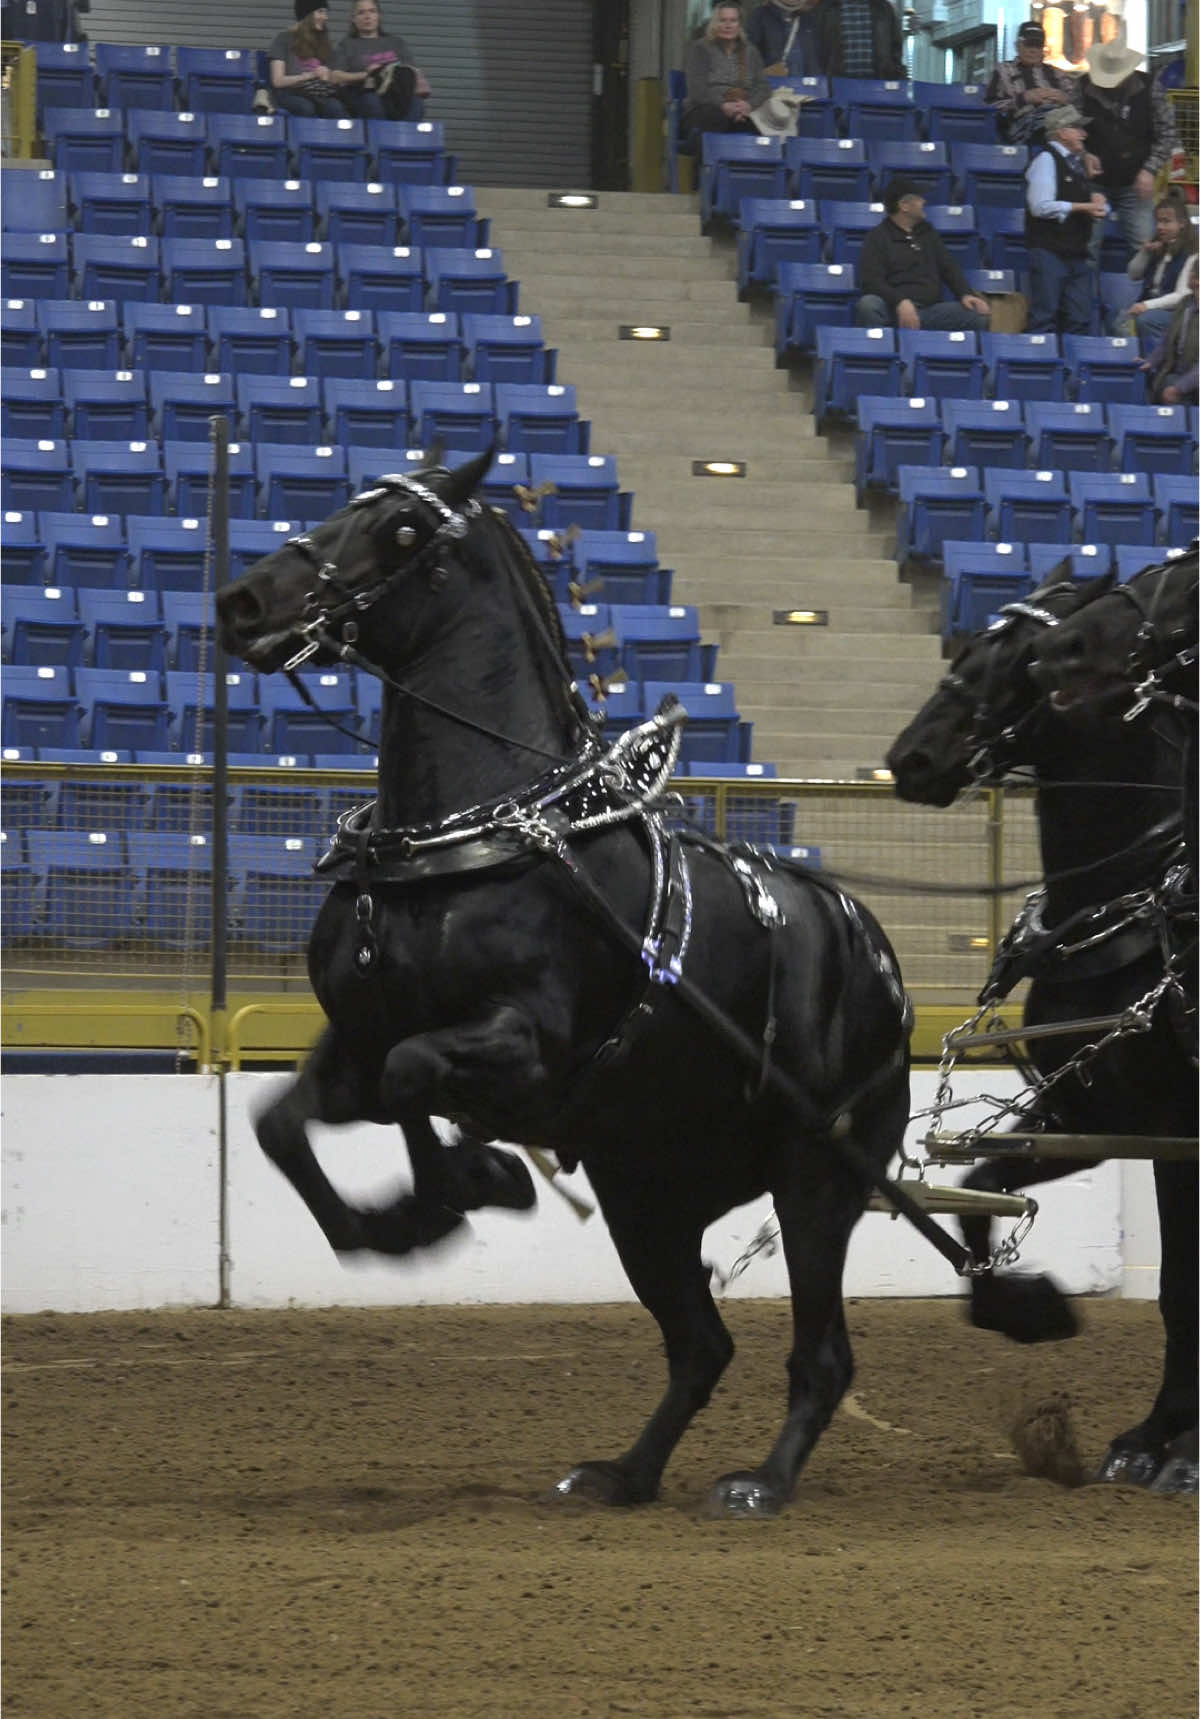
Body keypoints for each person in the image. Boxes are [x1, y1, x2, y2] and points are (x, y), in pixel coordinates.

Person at [1079, 35, 1178, 257]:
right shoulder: (1082, 88)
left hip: (1136, 182)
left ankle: (1148, 291)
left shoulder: (1151, 88)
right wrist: (1082, 154)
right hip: (1092, 183)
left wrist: (1150, 169)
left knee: (1145, 250)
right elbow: (1067, 128)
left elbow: (1168, 132)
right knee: (1086, 249)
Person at [856, 178, 991, 331]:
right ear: (904, 206)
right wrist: (900, 301)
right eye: (919, 198)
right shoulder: (877, 237)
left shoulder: (928, 233)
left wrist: (965, 294)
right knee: (868, 305)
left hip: (930, 312)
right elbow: (872, 281)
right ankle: (882, 350)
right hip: (893, 310)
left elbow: (949, 268)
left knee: (978, 314)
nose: (924, 201)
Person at [1025, 103, 1108, 335]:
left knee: (1080, 318)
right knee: (1045, 316)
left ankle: (1074, 369)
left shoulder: (1078, 163)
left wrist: (1095, 199)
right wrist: (1084, 206)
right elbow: (1040, 207)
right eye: (1077, 128)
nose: (1084, 134)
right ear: (1061, 132)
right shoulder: (1045, 160)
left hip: (1076, 252)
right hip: (1049, 251)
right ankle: (1041, 369)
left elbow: (1080, 200)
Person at [1115, 193, 1198, 342]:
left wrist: (1146, 305)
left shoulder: (1193, 252)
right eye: (1158, 221)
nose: (1160, 227)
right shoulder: (1159, 246)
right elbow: (1133, 274)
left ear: (1182, 223)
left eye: (1166, 222)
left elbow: (1181, 296)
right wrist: (1145, 252)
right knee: (1118, 319)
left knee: (1146, 320)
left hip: (1178, 311)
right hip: (1153, 304)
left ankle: (1157, 362)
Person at [683, 3, 771, 142]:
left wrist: (748, 105)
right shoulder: (701, 48)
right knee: (715, 117)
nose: (728, 25)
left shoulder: (750, 51)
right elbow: (697, 89)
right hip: (704, 109)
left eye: (733, 21)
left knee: (764, 124)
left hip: (741, 109)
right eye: (722, 20)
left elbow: (763, 87)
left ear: (739, 24)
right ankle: (705, 163)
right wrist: (723, 105)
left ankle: (749, 162)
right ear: (714, 23)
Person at [984, 19, 1077, 146]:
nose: (1033, 50)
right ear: (1017, 45)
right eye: (1028, 44)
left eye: (1037, 45)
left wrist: (1064, 98)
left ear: (1043, 48)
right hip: (1026, 126)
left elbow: (1077, 104)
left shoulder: (1058, 74)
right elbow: (990, 108)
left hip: (1063, 123)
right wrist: (1024, 98)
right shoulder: (1003, 70)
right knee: (1049, 128)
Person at [335, 0, 431, 122]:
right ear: (353, 19)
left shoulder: (396, 42)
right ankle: (380, 139)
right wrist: (368, 75)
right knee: (372, 101)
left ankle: (402, 138)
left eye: (372, 11)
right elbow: (335, 76)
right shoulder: (347, 44)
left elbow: (411, 70)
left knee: (417, 104)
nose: (367, 17)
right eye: (361, 13)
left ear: (379, 16)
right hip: (364, 93)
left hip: (396, 92)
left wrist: (387, 73)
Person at [268, 2, 347, 118]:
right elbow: (278, 81)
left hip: (318, 92)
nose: (325, 17)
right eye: (320, 12)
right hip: (290, 92)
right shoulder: (284, 39)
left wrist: (328, 76)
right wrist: (310, 75)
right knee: (306, 108)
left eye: (326, 13)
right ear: (307, 14)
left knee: (336, 108)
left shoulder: (323, 41)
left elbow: (334, 76)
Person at [1139, 269, 1199, 405]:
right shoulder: (1186, 303)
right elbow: (1168, 339)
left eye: (1191, 273)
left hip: (1193, 383)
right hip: (1178, 372)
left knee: (1169, 385)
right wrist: (1151, 361)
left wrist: (1179, 388)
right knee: (1151, 380)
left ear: (1195, 280)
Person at [814, 0, 906, 80]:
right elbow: (815, 50)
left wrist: (897, 77)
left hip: (878, 85)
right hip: (836, 88)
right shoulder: (825, 8)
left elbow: (896, 48)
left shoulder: (883, 8)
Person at [745, 0, 824, 80]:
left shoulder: (808, 17)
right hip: (774, 86)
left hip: (807, 87)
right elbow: (748, 57)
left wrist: (818, 84)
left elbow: (815, 59)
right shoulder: (759, 16)